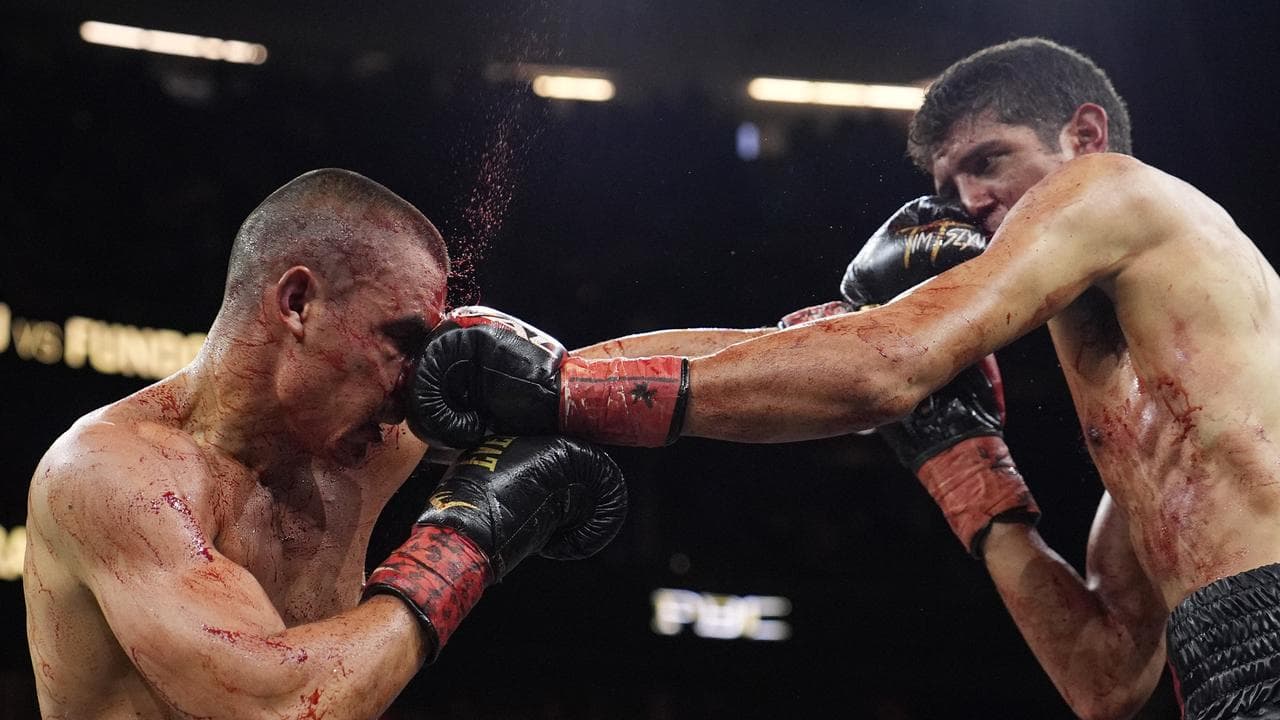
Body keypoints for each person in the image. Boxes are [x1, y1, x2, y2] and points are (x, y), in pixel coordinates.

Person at [407, 38, 1280, 720]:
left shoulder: (1113, 188)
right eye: (946, 182)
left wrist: (559, 389)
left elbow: (881, 365)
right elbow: (1105, 676)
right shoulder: (1158, 392)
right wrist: (964, 462)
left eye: (989, 159)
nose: (964, 201)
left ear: (1082, 137)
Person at [23, 168, 627, 720]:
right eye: (402, 340)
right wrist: (452, 556)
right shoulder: (112, 476)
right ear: (297, 303)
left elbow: (626, 379)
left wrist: (573, 387)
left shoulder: (366, 439)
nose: (415, 387)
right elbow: (275, 708)